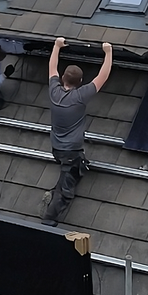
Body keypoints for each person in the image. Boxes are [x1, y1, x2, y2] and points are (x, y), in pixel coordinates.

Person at [41, 38, 113, 226]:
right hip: (70, 152)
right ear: (81, 82)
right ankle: (50, 218)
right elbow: (102, 77)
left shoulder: (54, 91)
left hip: (56, 147)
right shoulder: (80, 96)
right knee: (66, 188)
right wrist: (108, 52)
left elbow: (52, 67)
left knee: (71, 168)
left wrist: (56, 47)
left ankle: (73, 170)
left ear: (63, 78)